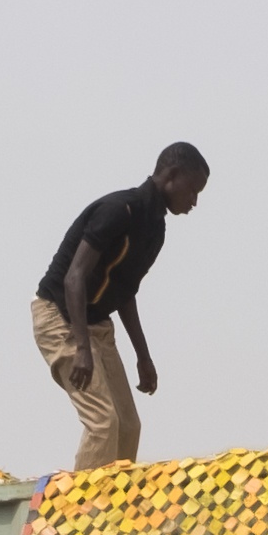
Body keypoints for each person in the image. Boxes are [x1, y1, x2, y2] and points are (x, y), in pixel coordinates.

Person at [32, 144, 209, 472]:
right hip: (59, 316)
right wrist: (82, 349)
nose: (194, 201)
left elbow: (126, 292)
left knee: (128, 425)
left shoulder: (155, 229)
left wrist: (143, 355)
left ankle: (114, 511)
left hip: (96, 323)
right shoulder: (119, 210)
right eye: (193, 191)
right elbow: (74, 279)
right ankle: (82, 512)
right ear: (171, 176)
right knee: (103, 422)